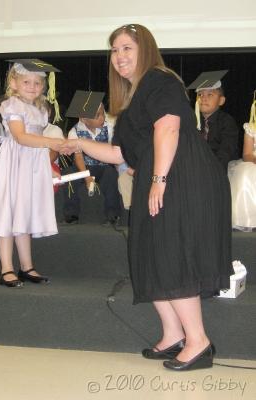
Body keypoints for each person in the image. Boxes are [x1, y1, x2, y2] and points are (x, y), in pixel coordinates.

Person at [60, 24, 232, 371]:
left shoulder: (159, 79)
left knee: (172, 255)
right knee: (151, 256)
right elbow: (119, 153)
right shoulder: (134, 95)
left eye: (127, 48)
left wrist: (158, 179)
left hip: (180, 178)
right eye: (114, 50)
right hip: (165, 177)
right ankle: (173, 334)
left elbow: (168, 128)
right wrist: (78, 144)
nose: (119, 56)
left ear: (146, 49)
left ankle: (198, 342)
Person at [0, 59, 63, 288]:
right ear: (14, 83)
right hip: (15, 162)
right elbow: (21, 137)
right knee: (8, 213)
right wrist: (54, 143)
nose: (32, 86)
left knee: (25, 213)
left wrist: (49, 164)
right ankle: (6, 268)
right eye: (26, 81)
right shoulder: (12, 105)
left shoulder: (41, 109)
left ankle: (26, 266)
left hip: (32, 163)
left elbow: (38, 141)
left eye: (37, 83)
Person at [63, 90, 121, 226]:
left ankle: (112, 214)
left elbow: (114, 151)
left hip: (105, 166)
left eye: (103, 113)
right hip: (84, 167)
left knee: (111, 176)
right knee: (69, 175)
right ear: (84, 119)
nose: (102, 118)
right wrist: (86, 176)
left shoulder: (110, 127)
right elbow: (78, 157)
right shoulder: (75, 131)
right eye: (97, 115)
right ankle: (71, 214)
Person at [189, 70, 239, 171]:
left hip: (221, 169)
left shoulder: (227, 122)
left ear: (221, 100)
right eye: (200, 94)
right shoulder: (191, 121)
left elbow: (226, 151)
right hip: (196, 168)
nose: (203, 98)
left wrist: (211, 170)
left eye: (210, 95)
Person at [228, 95, 256, 231]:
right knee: (246, 173)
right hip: (254, 161)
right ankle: (247, 218)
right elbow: (247, 154)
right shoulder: (251, 128)